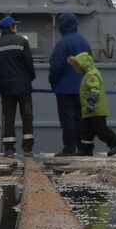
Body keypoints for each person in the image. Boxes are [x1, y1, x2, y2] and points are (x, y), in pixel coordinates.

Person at [0, 16, 36, 155]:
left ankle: (9, 148)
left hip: (6, 88)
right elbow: (29, 64)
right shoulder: (22, 42)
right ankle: (27, 148)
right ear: (11, 27)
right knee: (27, 116)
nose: (16, 27)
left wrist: (1, 79)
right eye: (15, 25)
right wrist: (29, 78)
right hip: (24, 88)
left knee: (8, 117)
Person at [48, 13, 92, 156]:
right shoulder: (85, 42)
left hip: (64, 88)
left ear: (62, 25)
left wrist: (53, 81)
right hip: (82, 86)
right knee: (80, 118)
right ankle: (82, 147)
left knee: (67, 119)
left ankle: (69, 148)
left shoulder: (62, 43)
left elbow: (56, 66)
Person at [70, 51, 116, 156]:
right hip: (89, 110)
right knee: (86, 131)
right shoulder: (87, 74)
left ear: (83, 64)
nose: (76, 68)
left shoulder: (91, 74)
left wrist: (91, 101)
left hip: (96, 109)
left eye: (78, 65)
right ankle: (86, 149)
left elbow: (94, 88)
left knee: (101, 129)